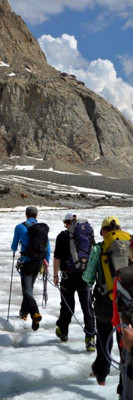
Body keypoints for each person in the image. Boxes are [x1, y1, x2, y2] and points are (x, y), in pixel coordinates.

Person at [82, 216, 127, 386]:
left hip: (105, 304)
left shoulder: (98, 249)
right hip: (127, 304)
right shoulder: (129, 245)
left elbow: (87, 278)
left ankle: (101, 376)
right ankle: (126, 384)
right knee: (125, 343)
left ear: (103, 231)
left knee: (103, 340)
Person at [53, 212, 95, 351]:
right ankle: (90, 338)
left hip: (68, 276)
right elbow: (93, 253)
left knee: (67, 306)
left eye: (66, 223)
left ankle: (63, 331)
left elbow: (57, 258)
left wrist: (55, 275)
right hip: (84, 276)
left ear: (67, 223)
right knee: (87, 307)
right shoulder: (86, 234)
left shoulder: (62, 236)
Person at [11, 206, 51, 331]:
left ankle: (35, 313)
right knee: (29, 288)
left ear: (26, 214)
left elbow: (13, 247)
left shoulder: (20, 227)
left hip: (26, 263)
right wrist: (46, 262)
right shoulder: (42, 229)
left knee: (27, 291)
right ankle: (24, 313)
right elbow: (48, 248)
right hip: (38, 262)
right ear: (36, 215)